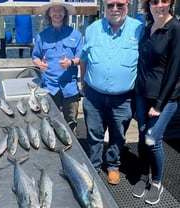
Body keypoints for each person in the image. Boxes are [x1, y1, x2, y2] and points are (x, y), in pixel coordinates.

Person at [80, 0, 144, 184]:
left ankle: (113, 165)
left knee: (118, 134)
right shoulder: (92, 29)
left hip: (123, 98)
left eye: (120, 4)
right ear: (104, 7)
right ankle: (94, 164)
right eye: (110, 5)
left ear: (128, 5)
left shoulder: (139, 29)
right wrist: (83, 82)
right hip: (94, 95)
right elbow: (84, 58)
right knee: (94, 133)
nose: (115, 9)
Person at [132, 0, 180, 204]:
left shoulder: (175, 29)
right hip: (142, 94)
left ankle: (157, 182)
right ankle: (144, 175)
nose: (159, 5)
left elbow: (175, 70)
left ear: (171, 3)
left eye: (164, 1)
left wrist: (159, 104)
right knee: (143, 136)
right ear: (148, 4)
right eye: (154, 1)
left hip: (165, 98)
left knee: (153, 139)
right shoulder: (146, 27)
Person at [32, 0, 83, 134]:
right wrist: (40, 65)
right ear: (49, 14)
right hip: (49, 87)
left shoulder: (76, 34)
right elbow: (35, 57)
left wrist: (70, 63)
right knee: (48, 122)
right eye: (53, 10)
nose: (57, 13)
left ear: (65, 13)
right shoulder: (41, 36)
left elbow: (81, 58)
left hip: (70, 88)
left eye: (60, 10)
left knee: (71, 123)